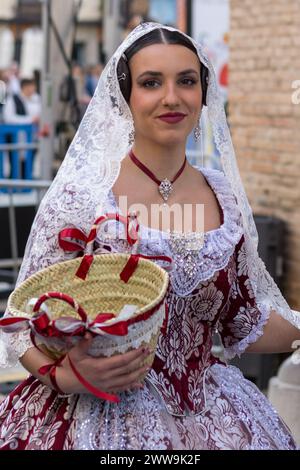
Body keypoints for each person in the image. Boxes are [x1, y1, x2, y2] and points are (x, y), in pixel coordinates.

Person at [0, 22, 300, 450]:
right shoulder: (83, 199)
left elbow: (244, 319)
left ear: (203, 93)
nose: (171, 97)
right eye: (151, 82)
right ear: (126, 96)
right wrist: (66, 376)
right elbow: (18, 324)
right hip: (92, 420)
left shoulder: (223, 197)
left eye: (186, 81)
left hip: (209, 415)